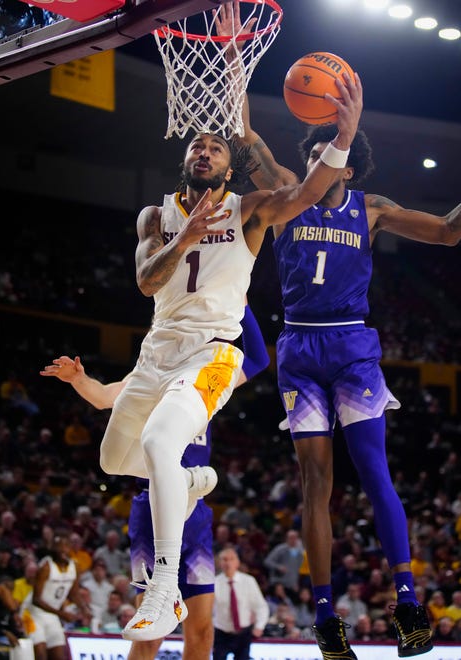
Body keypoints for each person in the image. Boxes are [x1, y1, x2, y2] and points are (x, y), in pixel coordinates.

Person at [92, 58, 362, 644]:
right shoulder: (154, 217)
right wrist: (185, 237)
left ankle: (164, 591)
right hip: (154, 353)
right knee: (115, 461)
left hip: (214, 353)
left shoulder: (251, 209)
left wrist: (343, 135)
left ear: (229, 165)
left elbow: (312, 190)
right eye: (198, 144)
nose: (206, 149)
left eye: (216, 146)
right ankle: (189, 483)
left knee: (164, 443)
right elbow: (145, 283)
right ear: (186, 160)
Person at [235, 51, 461, 660]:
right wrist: (233, 62)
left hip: (353, 345)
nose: (314, 160)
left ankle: (408, 602)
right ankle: (326, 617)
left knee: (373, 472)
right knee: (315, 483)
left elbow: (447, 231)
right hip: (299, 348)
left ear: (347, 168)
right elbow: (244, 137)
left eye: (325, 154)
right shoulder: (287, 198)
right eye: (309, 153)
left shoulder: (373, 210)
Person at [40, 302, 271, 660]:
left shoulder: (210, 373)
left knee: (203, 631)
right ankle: (184, 482)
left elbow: (257, 359)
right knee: (148, 638)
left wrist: (235, 294)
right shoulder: (145, 377)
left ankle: (188, 482)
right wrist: (79, 380)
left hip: (195, 515)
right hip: (152, 510)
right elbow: (103, 397)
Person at [25, 532, 90, 660]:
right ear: (53, 549)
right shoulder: (45, 567)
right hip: (32, 614)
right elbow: (36, 600)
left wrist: (84, 609)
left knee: (59, 656)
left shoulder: (75, 567)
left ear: (70, 547)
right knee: (40, 655)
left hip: (52, 615)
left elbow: (74, 593)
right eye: (58, 546)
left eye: (65, 545)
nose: (62, 549)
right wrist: (62, 614)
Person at [213, 546, 269, 660]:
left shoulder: (248, 581)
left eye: (231, 559)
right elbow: (208, 611)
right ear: (220, 563)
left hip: (243, 633)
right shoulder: (214, 583)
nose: (228, 563)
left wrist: (259, 626)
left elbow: (260, 606)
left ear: (237, 562)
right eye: (224, 559)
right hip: (221, 633)